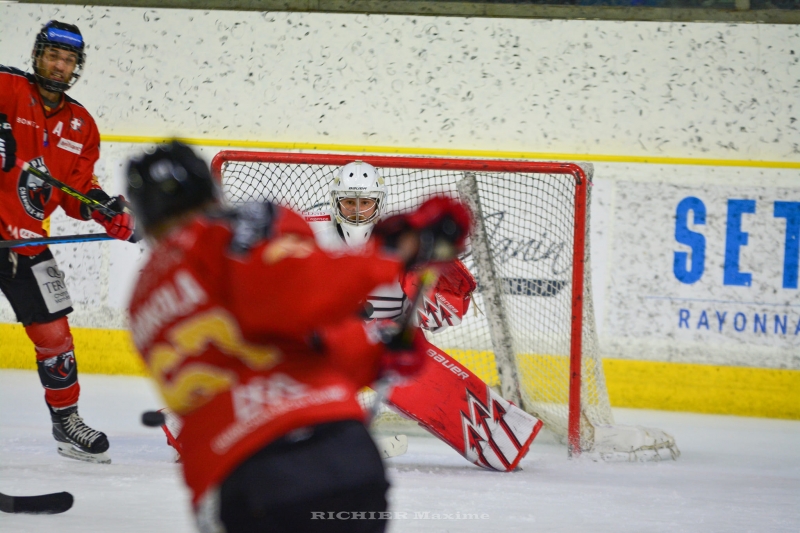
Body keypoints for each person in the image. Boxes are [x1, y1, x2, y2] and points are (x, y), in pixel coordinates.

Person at [125, 141, 471, 533]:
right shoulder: (226, 235)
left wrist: (375, 355)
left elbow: (261, 359)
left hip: (233, 482)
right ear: (208, 191)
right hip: (324, 458)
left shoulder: (141, 298)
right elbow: (300, 295)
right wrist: (396, 250)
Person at [0, 20, 136, 464]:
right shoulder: (6, 86)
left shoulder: (82, 125)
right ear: (37, 55)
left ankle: (66, 421)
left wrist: (104, 209)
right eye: (53, 56)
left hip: (25, 244)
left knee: (56, 338)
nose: (59, 66)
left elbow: (76, 192)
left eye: (69, 60)